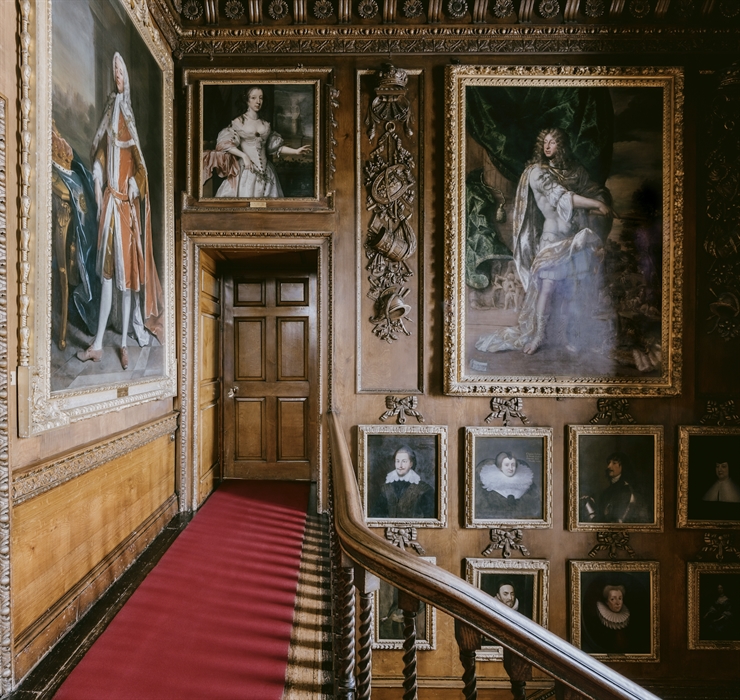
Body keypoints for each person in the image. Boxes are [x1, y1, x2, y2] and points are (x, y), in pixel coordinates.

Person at [476, 128, 614, 356]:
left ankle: (565, 335)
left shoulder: (575, 172)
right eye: (545, 142)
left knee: (571, 289)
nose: (547, 146)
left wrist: (600, 200)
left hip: (574, 241)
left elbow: (594, 190)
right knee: (547, 288)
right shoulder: (537, 172)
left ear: (562, 146)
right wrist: (596, 204)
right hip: (551, 241)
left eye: (553, 142)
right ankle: (539, 335)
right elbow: (561, 197)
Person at [76, 52, 164, 370]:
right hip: (109, 208)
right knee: (106, 278)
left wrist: (135, 186)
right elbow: (101, 151)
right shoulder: (109, 110)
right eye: (114, 70)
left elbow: (140, 168)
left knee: (126, 283)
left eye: (120, 70)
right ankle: (98, 344)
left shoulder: (128, 115)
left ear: (126, 77)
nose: (117, 74)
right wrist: (98, 172)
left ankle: (124, 343)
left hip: (125, 210)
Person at [205, 86, 312, 198]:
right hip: (246, 170)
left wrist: (296, 151)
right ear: (246, 100)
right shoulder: (238, 122)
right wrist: (244, 156)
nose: (258, 101)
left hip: (266, 171)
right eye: (253, 98)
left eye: (261, 98)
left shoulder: (265, 124)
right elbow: (225, 144)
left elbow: (275, 147)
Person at [580, 452, 645, 524]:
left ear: (623, 466)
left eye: (614, 463)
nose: (609, 466)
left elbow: (618, 522)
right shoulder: (607, 492)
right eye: (609, 463)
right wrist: (590, 502)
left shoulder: (626, 491)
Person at [372, 446, 435, 519]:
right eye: (397, 461)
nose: (400, 466)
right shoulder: (385, 488)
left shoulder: (424, 490)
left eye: (404, 461)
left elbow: (430, 519)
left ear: (411, 464)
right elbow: (376, 516)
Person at [477, 451, 541, 519]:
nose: (510, 468)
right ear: (500, 467)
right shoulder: (490, 483)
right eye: (507, 465)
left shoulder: (526, 481)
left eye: (513, 465)